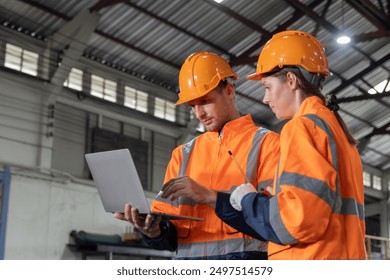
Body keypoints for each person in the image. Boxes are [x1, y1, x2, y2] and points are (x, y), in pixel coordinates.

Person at [162, 30, 367, 259]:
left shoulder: (301, 127)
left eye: (267, 87)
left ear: (291, 80)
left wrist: (247, 199)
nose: (265, 99)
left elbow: (297, 220)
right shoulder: (336, 131)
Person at [114, 51, 280, 259]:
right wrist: (153, 231)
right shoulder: (182, 155)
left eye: (205, 101)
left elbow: (274, 221)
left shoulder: (268, 144)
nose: (199, 113)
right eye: (192, 106)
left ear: (229, 91)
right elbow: (171, 235)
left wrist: (211, 198)